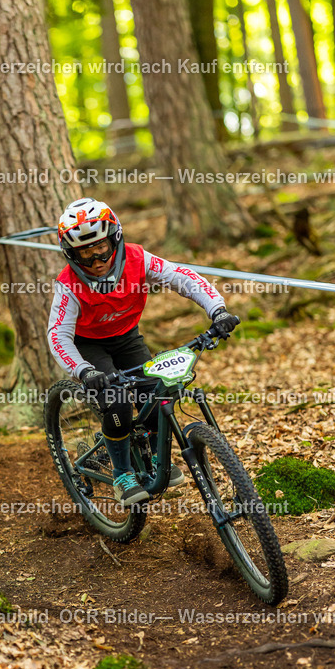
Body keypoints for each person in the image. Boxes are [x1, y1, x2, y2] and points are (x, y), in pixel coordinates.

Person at [47, 197, 239, 506]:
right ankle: (123, 474)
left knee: (156, 395)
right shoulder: (68, 285)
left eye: (101, 249)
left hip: (127, 337)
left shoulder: (137, 258)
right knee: (118, 402)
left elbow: (181, 277)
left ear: (115, 239)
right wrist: (84, 371)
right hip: (89, 347)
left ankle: (149, 459)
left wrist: (217, 311)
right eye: (85, 253)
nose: (96, 260)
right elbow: (58, 336)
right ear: (72, 254)